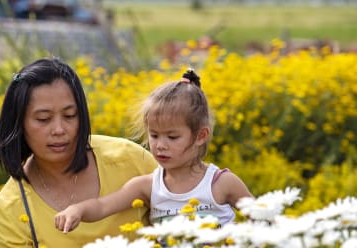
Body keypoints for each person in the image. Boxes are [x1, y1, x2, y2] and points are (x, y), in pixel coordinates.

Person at [0, 57, 159, 248]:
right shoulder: (11, 209)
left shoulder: (129, 159)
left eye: (70, 115)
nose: (59, 129)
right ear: (18, 124)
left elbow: (190, 208)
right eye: (43, 119)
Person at [55, 69, 253, 233]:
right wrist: (77, 210)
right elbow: (103, 206)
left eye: (172, 137)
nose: (160, 145)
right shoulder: (148, 186)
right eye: (155, 135)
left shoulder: (221, 183)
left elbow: (265, 220)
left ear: (201, 136)